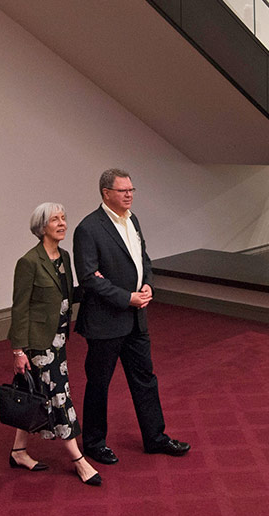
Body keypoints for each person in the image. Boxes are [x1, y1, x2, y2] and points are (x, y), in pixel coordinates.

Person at [72, 168, 189, 464]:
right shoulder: (89, 228)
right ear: (106, 193)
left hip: (136, 318)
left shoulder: (132, 220)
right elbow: (88, 278)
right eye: (123, 191)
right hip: (105, 321)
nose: (129, 195)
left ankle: (156, 438)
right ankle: (95, 443)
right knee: (99, 383)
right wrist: (127, 297)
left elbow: (143, 259)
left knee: (145, 379)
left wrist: (147, 283)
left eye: (132, 190)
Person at [7, 202, 101, 486]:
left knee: (39, 396)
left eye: (63, 218)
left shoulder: (65, 256)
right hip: (37, 343)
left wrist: (91, 285)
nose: (62, 223)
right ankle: (78, 459)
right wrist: (18, 350)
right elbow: (19, 308)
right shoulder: (28, 262)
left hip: (59, 339)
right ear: (41, 227)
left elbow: (65, 294)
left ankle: (18, 451)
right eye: (55, 220)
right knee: (59, 396)